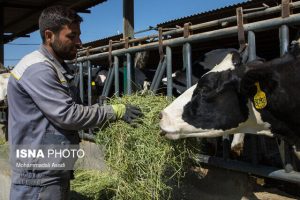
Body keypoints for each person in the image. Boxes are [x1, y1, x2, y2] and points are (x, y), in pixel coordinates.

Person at [7, 5, 142, 200]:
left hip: (50, 169)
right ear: (49, 35)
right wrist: (114, 111)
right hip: (38, 177)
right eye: (71, 36)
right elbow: (68, 115)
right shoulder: (38, 69)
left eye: (79, 35)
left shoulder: (55, 67)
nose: (79, 42)